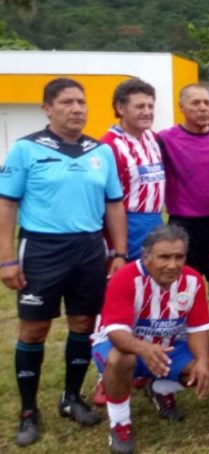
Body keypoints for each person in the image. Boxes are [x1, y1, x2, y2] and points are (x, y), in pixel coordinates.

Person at [0, 77, 127, 446]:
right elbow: (7, 204)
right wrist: (6, 259)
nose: (76, 109)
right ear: (47, 108)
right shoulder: (26, 149)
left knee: (84, 323)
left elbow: (114, 204)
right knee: (34, 330)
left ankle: (71, 398)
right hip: (42, 249)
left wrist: (119, 253)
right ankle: (28, 411)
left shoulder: (100, 151)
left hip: (89, 249)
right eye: (67, 102)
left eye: (81, 102)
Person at [92, 225, 209, 453]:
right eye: (164, 257)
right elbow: (117, 334)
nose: (173, 265)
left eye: (179, 257)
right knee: (120, 358)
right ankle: (120, 423)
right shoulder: (125, 277)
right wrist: (144, 349)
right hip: (122, 345)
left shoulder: (193, 279)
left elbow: (198, 330)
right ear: (146, 257)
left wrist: (201, 361)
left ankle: (159, 388)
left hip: (166, 347)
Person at [160, 84, 209, 360]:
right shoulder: (165, 139)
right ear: (181, 107)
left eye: (206, 102)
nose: (203, 107)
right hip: (185, 226)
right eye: (195, 103)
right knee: (181, 289)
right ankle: (181, 351)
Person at [101, 78, 165, 261]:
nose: (147, 112)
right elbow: (105, 202)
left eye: (150, 106)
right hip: (127, 225)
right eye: (140, 106)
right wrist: (116, 249)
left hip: (156, 221)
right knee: (130, 276)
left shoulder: (152, 138)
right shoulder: (108, 146)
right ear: (121, 108)